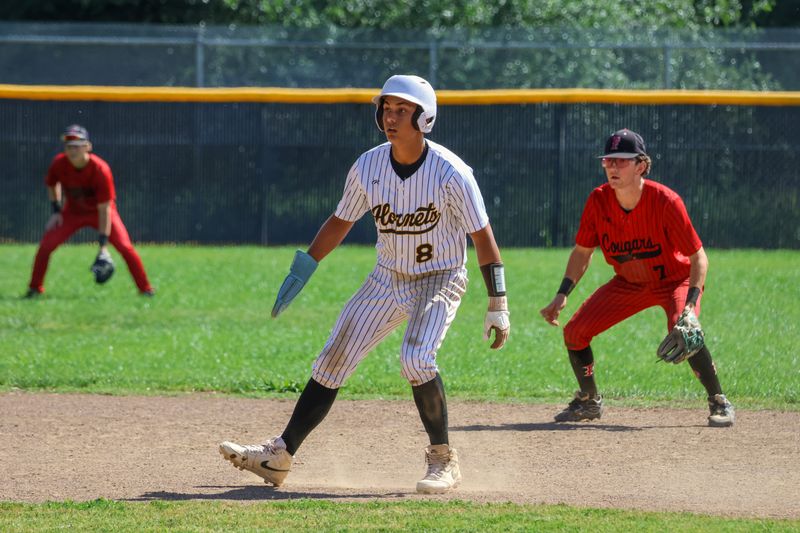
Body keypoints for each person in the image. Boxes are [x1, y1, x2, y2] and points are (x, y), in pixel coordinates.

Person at [220, 74, 510, 494]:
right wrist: (305, 266)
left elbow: (484, 239)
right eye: (386, 109)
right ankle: (280, 456)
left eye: (401, 110)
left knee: (416, 361)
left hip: (439, 279)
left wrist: (498, 301)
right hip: (387, 278)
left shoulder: (451, 173)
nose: (390, 117)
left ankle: (443, 460)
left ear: (424, 118)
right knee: (333, 359)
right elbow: (341, 220)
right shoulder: (369, 166)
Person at [539, 128, 734, 427]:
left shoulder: (666, 201)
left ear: (641, 165)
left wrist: (690, 306)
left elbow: (698, 257)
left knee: (684, 329)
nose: (613, 167)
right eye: (608, 161)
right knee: (575, 332)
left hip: (674, 280)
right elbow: (582, 252)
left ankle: (718, 400)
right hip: (628, 283)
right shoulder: (598, 201)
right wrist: (562, 293)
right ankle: (589, 401)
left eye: (622, 161)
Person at [25, 124, 154, 297]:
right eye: (69, 147)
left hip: (101, 213)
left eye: (77, 146)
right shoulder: (59, 163)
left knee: (125, 247)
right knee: (46, 245)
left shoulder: (100, 169)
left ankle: (146, 290)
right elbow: (51, 183)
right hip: (73, 212)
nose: (72, 151)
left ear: (88, 147)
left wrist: (103, 247)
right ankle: (34, 289)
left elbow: (104, 209)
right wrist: (56, 211)